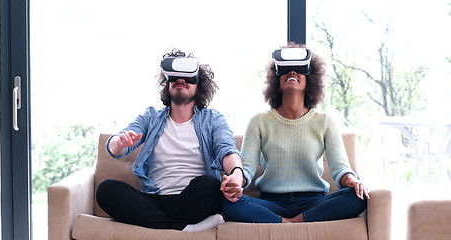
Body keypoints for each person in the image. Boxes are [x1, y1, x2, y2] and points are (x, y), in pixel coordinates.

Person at [96, 49, 246, 232]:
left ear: (199, 85)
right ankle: (183, 227)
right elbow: (115, 147)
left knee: (210, 185)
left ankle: (158, 223)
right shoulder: (150, 117)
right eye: (175, 77)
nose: (181, 81)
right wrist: (119, 143)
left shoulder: (213, 119)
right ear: (167, 84)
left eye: (188, 78)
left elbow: (227, 150)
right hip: (155, 199)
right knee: (106, 190)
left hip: (193, 200)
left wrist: (237, 174)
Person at [222, 43, 369, 224]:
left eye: (299, 69)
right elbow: (247, 168)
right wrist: (236, 179)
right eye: (285, 70)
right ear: (277, 83)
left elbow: (340, 169)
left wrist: (352, 180)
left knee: (357, 197)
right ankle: (287, 221)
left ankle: (290, 222)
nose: (292, 73)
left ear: (309, 82)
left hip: (314, 201)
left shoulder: (325, 121)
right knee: (229, 204)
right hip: (272, 202)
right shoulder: (258, 121)